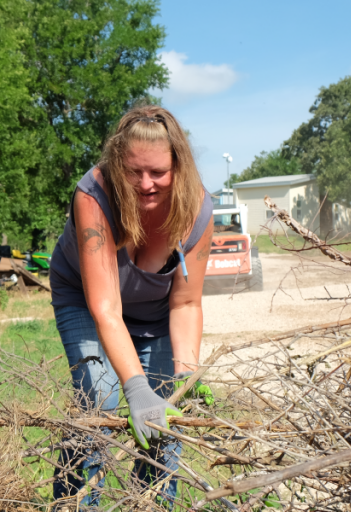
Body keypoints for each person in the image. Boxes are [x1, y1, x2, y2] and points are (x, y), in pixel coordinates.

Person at [48, 104, 215, 508]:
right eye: (133, 171)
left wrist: (185, 376)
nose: (145, 184)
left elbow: (187, 303)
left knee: (165, 417)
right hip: (87, 303)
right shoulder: (95, 196)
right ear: (116, 164)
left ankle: (151, 503)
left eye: (158, 172)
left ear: (179, 167)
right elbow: (105, 307)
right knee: (101, 399)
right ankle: (74, 503)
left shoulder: (196, 210)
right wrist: (135, 388)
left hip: (155, 313)